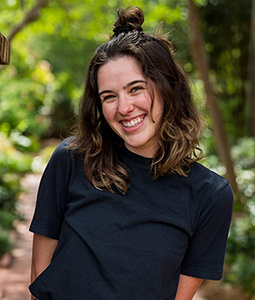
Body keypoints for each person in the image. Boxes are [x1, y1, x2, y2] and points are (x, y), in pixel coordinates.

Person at [29, 6, 233, 300]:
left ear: (168, 88)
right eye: (109, 96)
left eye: (136, 89)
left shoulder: (210, 196)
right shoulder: (71, 159)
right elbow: (39, 278)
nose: (123, 108)